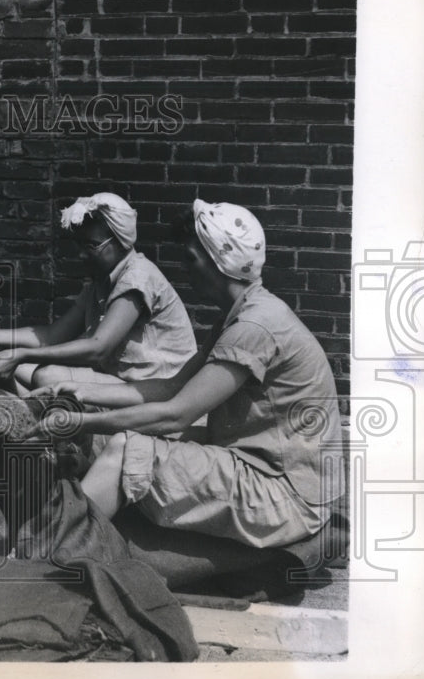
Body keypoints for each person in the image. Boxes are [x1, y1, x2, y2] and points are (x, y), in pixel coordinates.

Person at [32, 200, 344, 548]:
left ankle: (45, 554)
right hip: (257, 468)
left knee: (125, 450)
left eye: (192, 258)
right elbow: (171, 386)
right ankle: (62, 526)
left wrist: (80, 422)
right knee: (110, 436)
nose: (185, 268)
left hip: (286, 495)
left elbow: (175, 416)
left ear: (219, 262)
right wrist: (80, 394)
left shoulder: (256, 325)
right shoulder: (240, 315)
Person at [0, 192, 196, 395]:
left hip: (158, 388)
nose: (81, 254)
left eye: (91, 246)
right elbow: (52, 335)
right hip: (124, 380)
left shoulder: (137, 278)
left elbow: (97, 348)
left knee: (46, 376)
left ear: (120, 241)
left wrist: (23, 354)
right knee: (11, 366)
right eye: (79, 245)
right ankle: (32, 415)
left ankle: (35, 420)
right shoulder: (101, 281)